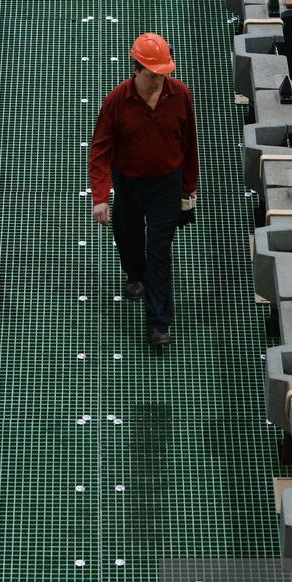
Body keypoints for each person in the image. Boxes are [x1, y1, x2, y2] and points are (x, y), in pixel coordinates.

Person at [88, 32, 198, 347]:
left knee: (159, 251)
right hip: (129, 182)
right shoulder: (116, 102)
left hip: (167, 184)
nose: (159, 81)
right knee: (128, 235)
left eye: (164, 74)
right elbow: (99, 151)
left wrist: (189, 188)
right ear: (135, 70)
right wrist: (100, 197)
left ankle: (158, 324)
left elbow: (189, 143)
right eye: (152, 75)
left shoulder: (181, 95)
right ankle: (135, 274)